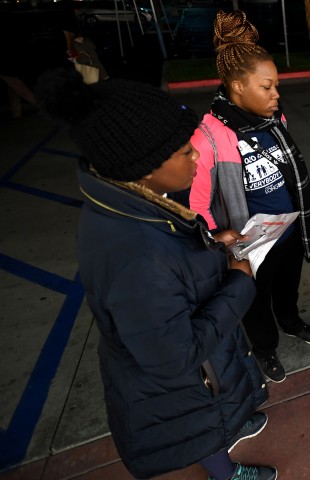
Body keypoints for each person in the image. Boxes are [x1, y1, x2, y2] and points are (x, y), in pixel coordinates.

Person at [34, 68, 277, 480]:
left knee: (213, 414)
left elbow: (172, 261)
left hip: (200, 375)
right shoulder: (136, 257)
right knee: (203, 426)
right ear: (144, 167)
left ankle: (233, 420)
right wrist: (239, 283)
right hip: (187, 384)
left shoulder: (131, 203)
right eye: (185, 151)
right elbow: (176, 357)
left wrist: (214, 243)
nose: (197, 156)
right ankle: (227, 472)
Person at [190, 10, 310, 384]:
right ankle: (265, 348)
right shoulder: (210, 137)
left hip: (288, 230)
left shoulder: (274, 119)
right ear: (237, 86)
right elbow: (197, 205)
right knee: (254, 299)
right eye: (266, 87)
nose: (276, 94)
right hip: (250, 246)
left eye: (276, 85)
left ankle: (291, 319)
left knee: (287, 285)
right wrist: (220, 239)